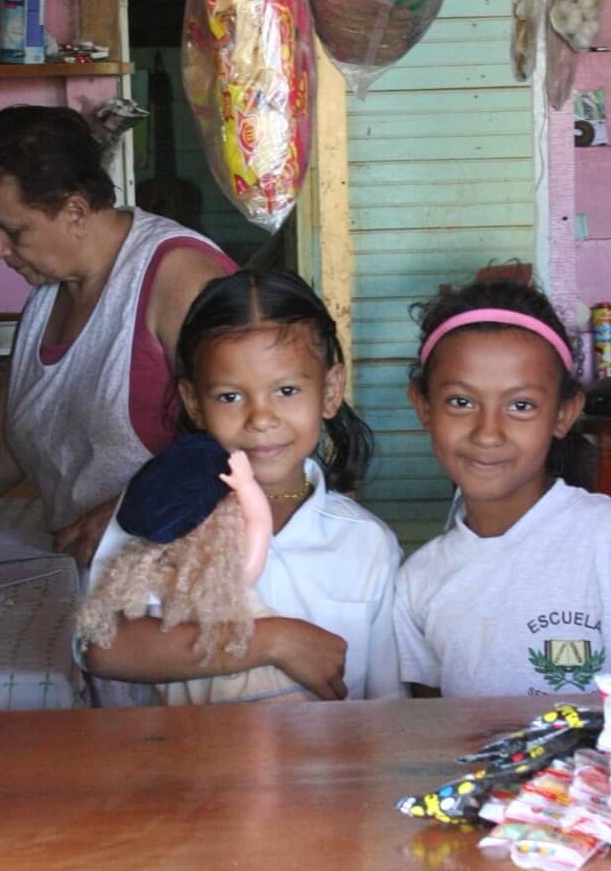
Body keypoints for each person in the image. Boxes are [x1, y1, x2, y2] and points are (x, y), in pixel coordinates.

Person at [0, 105, 235, 564]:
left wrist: (133, 510)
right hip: (96, 579)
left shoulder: (179, 280)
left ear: (74, 210)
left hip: (185, 580)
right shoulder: (48, 295)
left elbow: (252, 444)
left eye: (12, 230)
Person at [79, 270, 404, 702]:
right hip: (195, 766)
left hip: (335, 768)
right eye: (231, 396)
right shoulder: (162, 513)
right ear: (195, 403)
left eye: (286, 390)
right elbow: (103, 649)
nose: (261, 419)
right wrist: (272, 642)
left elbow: (388, 704)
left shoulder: (367, 543)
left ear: (329, 390)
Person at [394, 280, 611, 698]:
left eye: (521, 406)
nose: (488, 433)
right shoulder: (418, 583)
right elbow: (429, 726)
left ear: (564, 413)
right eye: (461, 402)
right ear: (423, 406)